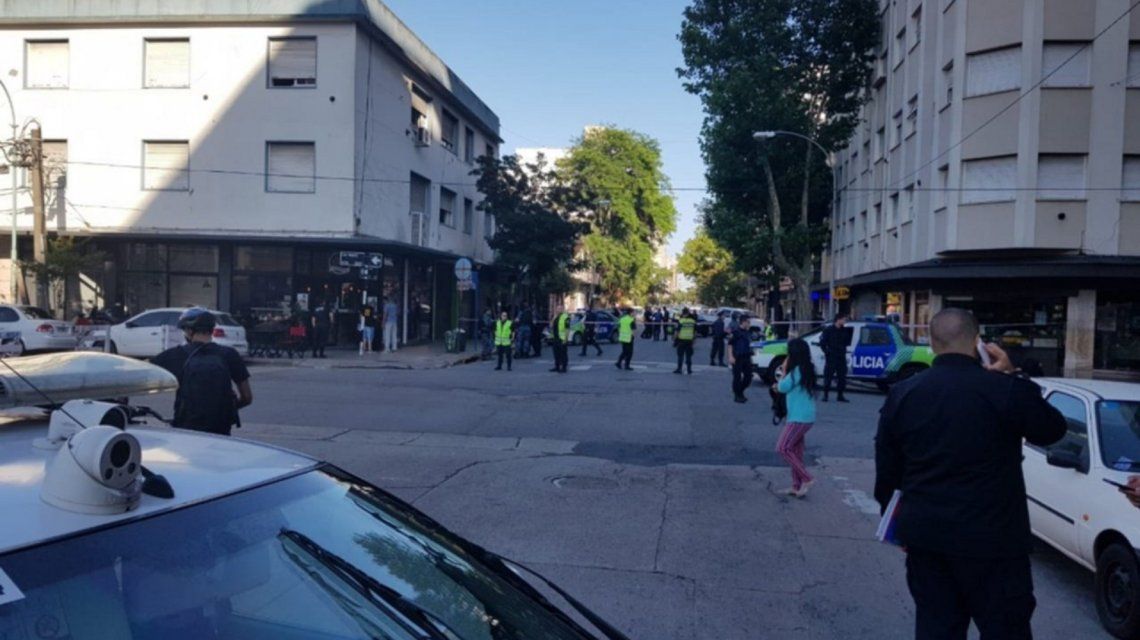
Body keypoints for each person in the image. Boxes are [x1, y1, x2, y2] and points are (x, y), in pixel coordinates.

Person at [874, 308, 1066, 640]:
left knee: (937, 627)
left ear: (932, 343)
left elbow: (888, 470)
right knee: (1006, 629)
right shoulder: (1004, 390)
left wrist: (898, 522)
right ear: (977, 342)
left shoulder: (903, 394)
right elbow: (1051, 429)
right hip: (995, 542)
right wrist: (1013, 374)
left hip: (927, 536)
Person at [151, 308, 252, 436]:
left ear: (189, 331)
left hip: (186, 427)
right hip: (220, 428)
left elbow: (140, 371)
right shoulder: (229, 354)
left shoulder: (175, 355)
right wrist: (226, 409)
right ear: (212, 330)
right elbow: (247, 398)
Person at [773, 338, 817, 497]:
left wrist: (784, 369)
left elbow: (783, 386)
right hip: (804, 416)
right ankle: (796, 486)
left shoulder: (796, 370)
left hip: (799, 417)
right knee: (795, 452)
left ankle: (807, 478)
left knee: (783, 448)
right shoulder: (806, 368)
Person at [819, 313, 850, 402]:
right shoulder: (829, 330)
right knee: (828, 377)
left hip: (841, 356)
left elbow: (847, 341)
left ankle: (840, 395)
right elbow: (823, 343)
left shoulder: (844, 330)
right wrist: (827, 352)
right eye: (843, 319)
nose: (844, 321)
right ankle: (825, 395)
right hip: (832, 356)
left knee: (842, 377)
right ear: (838, 320)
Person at [727, 315, 754, 403]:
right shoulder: (735, 332)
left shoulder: (748, 332)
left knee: (748, 377)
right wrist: (730, 356)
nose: (749, 324)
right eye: (748, 322)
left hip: (746, 357)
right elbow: (730, 345)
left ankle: (740, 391)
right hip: (737, 358)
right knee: (737, 377)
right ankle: (737, 395)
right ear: (743, 322)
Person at [673, 307, 697, 374]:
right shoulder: (693, 321)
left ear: (683, 313)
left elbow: (677, 331)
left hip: (681, 340)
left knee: (680, 356)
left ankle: (679, 369)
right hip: (689, 341)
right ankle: (689, 370)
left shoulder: (681, 321)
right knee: (688, 356)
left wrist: (674, 339)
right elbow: (695, 332)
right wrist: (694, 340)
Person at [550, 305, 570, 373]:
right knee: (556, 353)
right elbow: (551, 325)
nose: (558, 310)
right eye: (557, 309)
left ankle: (564, 367)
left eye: (560, 309)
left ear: (562, 309)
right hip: (555, 337)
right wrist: (554, 317)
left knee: (563, 354)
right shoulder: (556, 317)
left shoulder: (565, 317)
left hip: (562, 338)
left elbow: (567, 329)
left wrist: (566, 339)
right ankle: (557, 366)